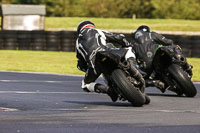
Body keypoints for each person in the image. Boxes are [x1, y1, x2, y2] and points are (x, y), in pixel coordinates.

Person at [76, 20, 143, 102]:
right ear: (91, 26)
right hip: (106, 52)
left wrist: (88, 69)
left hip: (94, 63)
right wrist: (125, 43)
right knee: (129, 49)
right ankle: (132, 66)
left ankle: (108, 90)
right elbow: (117, 37)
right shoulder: (97, 31)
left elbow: (80, 65)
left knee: (85, 85)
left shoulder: (77, 43)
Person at [131, 25, 193, 92]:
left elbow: (133, 59)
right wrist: (173, 46)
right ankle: (187, 67)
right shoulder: (151, 34)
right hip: (158, 53)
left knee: (140, 79)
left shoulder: (132, 44)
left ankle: (155, 82)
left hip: (147, 65)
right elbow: (168, 42)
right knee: (174, 47)